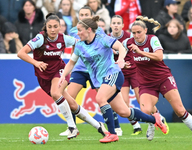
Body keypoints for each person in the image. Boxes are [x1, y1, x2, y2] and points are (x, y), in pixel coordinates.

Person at [58, 15, 168, 143]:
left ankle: (112, 133)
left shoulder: (103, 39)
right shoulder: (80, 46)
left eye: (80, 30)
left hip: (113, 74)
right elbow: (71, 63)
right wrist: (62, 76)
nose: (78, 33)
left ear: (88, 30)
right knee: (124, 112)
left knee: (100, 98)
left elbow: (121, 47)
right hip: (100, 80)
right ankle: (156, 119)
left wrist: (121, 59)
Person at [17, 13, 108, 140]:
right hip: (43, 75)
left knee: (55, 93)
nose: (53, 29)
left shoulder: (64, 38)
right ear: (46, 27)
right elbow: (21, 53)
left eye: (55, 26)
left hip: (59, 71)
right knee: (71, 103)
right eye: (50, 27)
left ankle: (72, 127)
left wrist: (74, 57)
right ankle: (98, 125)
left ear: (60, 27)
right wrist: (36, 63)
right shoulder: (40, 39)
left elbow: (80, 42)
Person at [123, 15, 192, 141]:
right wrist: (122, 62)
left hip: (163, 78)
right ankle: (154, 121)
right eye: (133, 33)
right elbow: (117, 51)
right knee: (145, 111)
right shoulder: (128, 43)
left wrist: (140, 52)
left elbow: (159, 56)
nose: (136, 35)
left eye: (139, 32)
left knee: (180, 110)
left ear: (145, 31)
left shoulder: (152, 39)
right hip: (146, 83)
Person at [59, 6, 123, 137]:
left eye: (86, 15)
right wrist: (69, 68)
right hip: (80, 68)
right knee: (69, 96)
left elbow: (104, 46)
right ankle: (72, 127)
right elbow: (74, 51)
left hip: (97, 69)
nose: (83, 17)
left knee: (105, 98)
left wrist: (116, 54)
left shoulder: (98, 30)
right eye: (81, 14)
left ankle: (116, 127)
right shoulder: (73, 31)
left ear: (91, 16)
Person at [109, 15, 142, 135]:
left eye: (118, 23)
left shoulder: (129, 36)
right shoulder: (107, 39)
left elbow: (138, 50)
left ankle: (156, 117)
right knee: (124, 103)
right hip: (120, 74)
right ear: (110, 25)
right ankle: (136, 126)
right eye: (114, 23)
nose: (116, 25)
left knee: (141, 100)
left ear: (123, 25)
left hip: (135, 72)